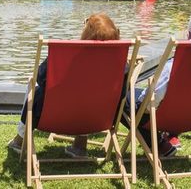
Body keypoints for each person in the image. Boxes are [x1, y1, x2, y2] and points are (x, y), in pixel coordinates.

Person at [7, 13, 121, 158]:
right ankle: (80, 145)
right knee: (88, 94)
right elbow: (122, 91)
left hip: (55, 117)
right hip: (96, 118)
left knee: (33, 87)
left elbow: (41, 77)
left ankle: (20, 140)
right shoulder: (119, 63)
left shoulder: (68, 54)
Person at [129, 10, 191, 157]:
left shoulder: (175, 66)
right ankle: (164, 144)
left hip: (171, 117)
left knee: (124, 98)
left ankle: (161, 145)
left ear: (188, 35)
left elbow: (149, 103)